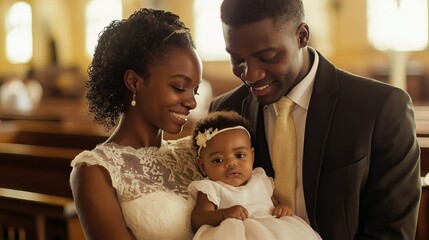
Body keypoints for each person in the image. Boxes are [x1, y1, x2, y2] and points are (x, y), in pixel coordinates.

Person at [209, 0, 421, 239]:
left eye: (267, 56)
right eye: (237, 60)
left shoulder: (380, 108)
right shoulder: (226, 111)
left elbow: (391, 231)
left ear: (301, 36)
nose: (250, 74)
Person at [69, 8, 204, 239]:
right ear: (134, 82)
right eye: (179, 87)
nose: (191, 102)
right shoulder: (95, 171)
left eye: (195, 90)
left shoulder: (194, 152)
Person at [188, 110, 321, 239]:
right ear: (203, 166)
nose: (231, 163)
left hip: (273, 230)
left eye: (239, 155)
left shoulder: (260, 180)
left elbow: (274, 204)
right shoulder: (212, 189)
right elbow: (198, 218)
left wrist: (283, 208)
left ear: (252, 156)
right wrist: (223, 214)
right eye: (218, 160)